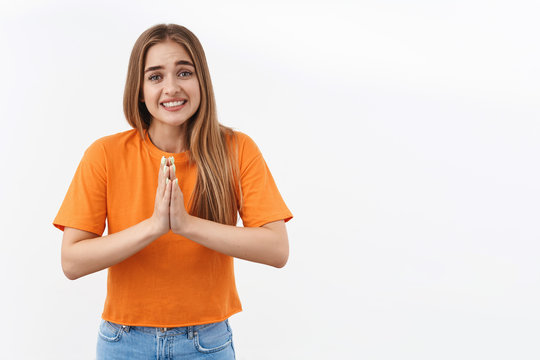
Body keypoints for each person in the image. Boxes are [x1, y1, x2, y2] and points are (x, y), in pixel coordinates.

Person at [53, 23, 292, 359]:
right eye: (155, 76)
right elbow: (72, 261)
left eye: (184, 72)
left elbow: (277, 249)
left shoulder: (237, 149)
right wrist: (154, 226)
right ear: (139, 89)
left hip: (206, 343)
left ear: (201, 81)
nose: (171, 88)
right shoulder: (105, 154)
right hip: (124, 344)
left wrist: (186, 225)